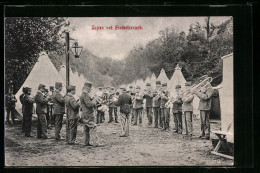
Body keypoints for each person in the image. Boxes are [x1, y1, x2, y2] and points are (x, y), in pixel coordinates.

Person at [80, 82, 102, 147]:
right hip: (88, 114)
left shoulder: (84, 94)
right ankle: (96, 143)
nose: (90, 90)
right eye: (90, 88)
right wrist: (94, 100)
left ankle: (85, 142)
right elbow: (89, 104)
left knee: (86, 128)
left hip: (84, 113)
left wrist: (92, 99)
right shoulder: (85, 94)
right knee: (93, 127)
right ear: (87, 87)